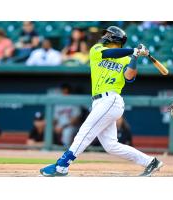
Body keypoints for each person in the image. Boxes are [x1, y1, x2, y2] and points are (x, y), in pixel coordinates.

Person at [40, 26, 163, 177]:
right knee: (111, 146)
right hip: (100, 102)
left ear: (115, 38)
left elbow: (129, 77)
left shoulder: (126, 58)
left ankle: (62, 166)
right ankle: (151, 162)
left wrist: (135, 57)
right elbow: (110, 53)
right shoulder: (97, 49)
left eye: (108, 34)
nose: (105, 36)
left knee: (85, 132)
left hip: (111, 99)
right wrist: (133, 50)